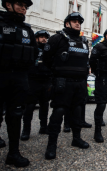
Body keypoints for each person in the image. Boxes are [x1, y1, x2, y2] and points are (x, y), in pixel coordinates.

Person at [0, 0, 36, 169]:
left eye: (26, 6)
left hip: (19, 80)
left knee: (15, 116)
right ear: (7, 4)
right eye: (20, 4)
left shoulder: (27, 30)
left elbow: (33, 56)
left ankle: (13, 153)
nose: (23, 8)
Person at [43, 12, 90, 160]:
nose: (78, 24)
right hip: (63, 82)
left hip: (80, 83)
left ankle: (76, 138)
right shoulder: (57, 38)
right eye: (74, 21)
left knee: (77, 111)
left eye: (79, 22)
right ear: (67, 23)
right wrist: (54, 78)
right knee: (58, 112)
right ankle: (51, 145)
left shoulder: (84, 40)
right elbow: (46, 60)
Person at [20, 30, 52, 141]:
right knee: (29, 107)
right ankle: (26, 130)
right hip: (32, 81)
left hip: (45, 81)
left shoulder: (48, 51)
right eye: (42, 37)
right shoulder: (31, 49)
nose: (44, 39)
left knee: (45, 106)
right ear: (36, 38)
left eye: (45, 37)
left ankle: (44, 127)